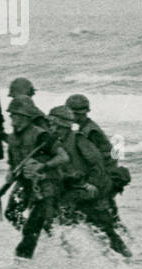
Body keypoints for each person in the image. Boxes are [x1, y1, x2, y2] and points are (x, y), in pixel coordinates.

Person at [47, 104, 131, 256]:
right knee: (61, 223)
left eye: (55, 124)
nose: (52, 128)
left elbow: (97, 164)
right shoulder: (57, 142)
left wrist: (91, 184)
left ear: (63, 125)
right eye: (51, 124)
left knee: (105, 229)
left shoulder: (79, 140)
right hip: (76, 190)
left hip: (92, 191)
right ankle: (74, 257)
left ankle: (126, 259)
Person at [9, 97, 69, 260]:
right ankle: (52, 247)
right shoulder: (13, 138)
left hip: (48, 186)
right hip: (27, 186)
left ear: (25, 117)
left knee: (33, 228)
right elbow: (13, 162)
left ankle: (25, 263)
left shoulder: (41, 136)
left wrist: (42, 166)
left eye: (15, 115)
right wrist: (11, 174)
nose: (12, 119)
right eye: (11, 115)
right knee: (11, 213)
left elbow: (63, 157)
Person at [66, 93, 130, 216]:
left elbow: (110, 156)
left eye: (74, 113)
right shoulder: (81, 129)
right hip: (98, 176)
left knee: (104, 216)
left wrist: (96, 181)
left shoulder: (91, 131)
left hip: (103, 178)